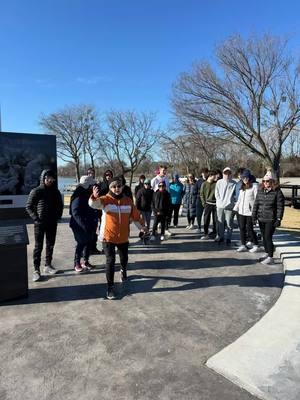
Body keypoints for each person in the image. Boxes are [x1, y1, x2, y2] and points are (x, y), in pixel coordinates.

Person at [89, 176, 147, 300]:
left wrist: (142, 227)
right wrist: (94, 196)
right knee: (110, 261)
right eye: (114, 186)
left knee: (124, 258)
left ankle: (123, 270)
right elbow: (93, 204)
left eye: (119, 186)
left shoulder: (128, 201)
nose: (117, 188)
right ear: (110, 188)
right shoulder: (105, 200)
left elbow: (136, 216)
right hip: (108, 237)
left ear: (122, 187)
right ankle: (110, 288)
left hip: (123, 237)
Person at [26, 169, 63, 282]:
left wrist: (58, 216)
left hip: (52, 223)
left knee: (50, 245)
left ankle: (48, 265)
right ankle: (36, 270)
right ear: (43, 178)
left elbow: (60, 205)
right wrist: (36, 219)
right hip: (40, 224)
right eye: (48, 178)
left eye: (52, 179)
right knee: (38, 247)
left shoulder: (55, 191)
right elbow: (28, 206)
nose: (50, 181)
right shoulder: (36, 191)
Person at [252, 170, 285, 265]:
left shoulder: (277, 192)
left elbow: (280, 207)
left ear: (272, 181)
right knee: (264, 237)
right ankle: (267, 253)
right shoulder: (260, 190)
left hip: (271, 219)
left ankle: (271, 257)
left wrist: (279, 219)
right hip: (261, 218)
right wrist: (253, 216)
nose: (265, 183)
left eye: (267, 181)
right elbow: (256, 204)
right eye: (264, 181)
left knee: (268, 237)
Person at [69, 175, 98, 273]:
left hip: (88, 224)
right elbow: (75, 213)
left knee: (88, 242)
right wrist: (84, 225)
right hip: (78, 225)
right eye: (92, 185)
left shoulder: (88, 194)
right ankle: (76, 263)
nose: (94, 186)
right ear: (87, 185)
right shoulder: (78, 195)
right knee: (81, 243)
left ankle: (85, 261)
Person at [233, 169, 259, 253]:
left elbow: (256, 200)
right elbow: (239, 200)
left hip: (250, 212)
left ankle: (256, 245)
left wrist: (255, 211)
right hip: (241, 211)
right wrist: (235, 209)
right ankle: (243, 245)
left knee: (250, 229)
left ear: (249, 178)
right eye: (243, 178)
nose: (245, 179)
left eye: (246, 178)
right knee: (242, 228)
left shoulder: (254, 186)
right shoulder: (242, 187)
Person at [215, 167, 236, 244]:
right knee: (220, 222)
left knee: (229, 223)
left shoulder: (234, 183)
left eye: (229, 173)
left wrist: (232, 202)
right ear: (223, 174)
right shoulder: (219, 182)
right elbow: (216, 193)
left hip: (229, 207)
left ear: (231, 174)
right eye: (225, 173)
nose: (227, 175)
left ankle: (228, 238)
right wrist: (219, 201)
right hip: (220, 206)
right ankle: (221, 237)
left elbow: (235, 195)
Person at [200, 171, 217, 239]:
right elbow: (201, 194)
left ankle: (215, 233)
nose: (215, 177)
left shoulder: (216, 184)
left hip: (215, 204)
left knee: (216, 220)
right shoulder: (204, 184)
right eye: (214, 176)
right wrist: (204, 203)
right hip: (207, 204)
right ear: (210, 176)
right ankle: (205, 234)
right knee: (206, 219)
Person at [194, 168, 208, 233]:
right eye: (203, 173)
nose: (204, 174)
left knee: (206, 215)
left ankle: (206, 228)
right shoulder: (198, 181)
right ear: (201, 174)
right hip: (199, 200)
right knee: (198, 215)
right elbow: (194, 191)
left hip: (207, 200)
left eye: (205, 172)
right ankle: (199, 227)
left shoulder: (209, 180)